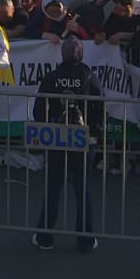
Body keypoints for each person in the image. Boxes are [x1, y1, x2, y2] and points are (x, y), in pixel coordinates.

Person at [31, 35, 105, 252]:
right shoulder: (90, 77)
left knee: (53, 186)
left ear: (62, 54)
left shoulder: (51, 77)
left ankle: (45, 237)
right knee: (83, 188)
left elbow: (38, 111)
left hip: (56, 138)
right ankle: (86, 239)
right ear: (81, 54)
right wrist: (95, 134)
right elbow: (99, 110)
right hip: (83, 139)